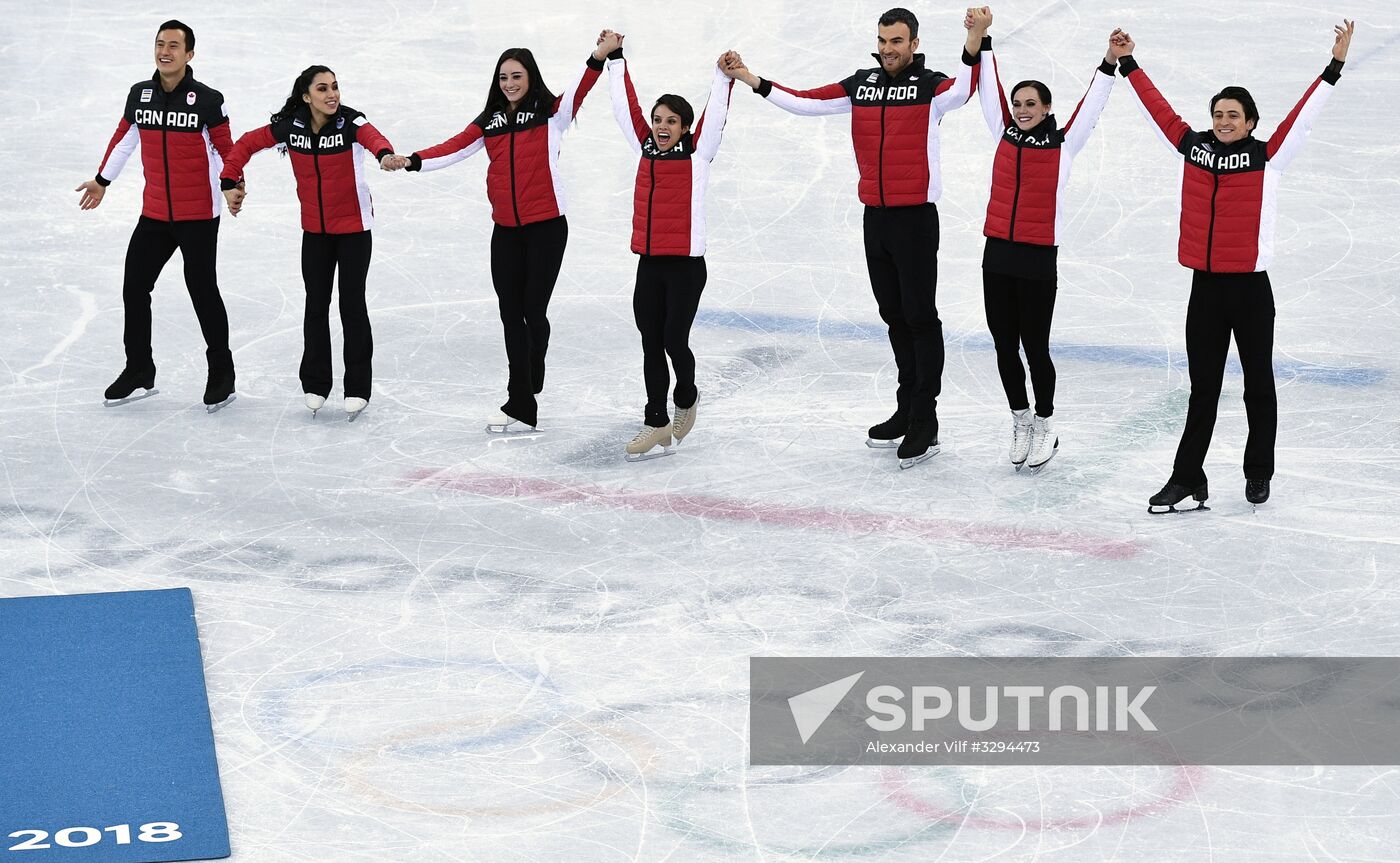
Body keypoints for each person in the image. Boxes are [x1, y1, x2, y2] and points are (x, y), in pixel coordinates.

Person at [724, 8, 989, 469]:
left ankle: (925, 420)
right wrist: (749, 77)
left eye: (897, 41)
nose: (888, 48)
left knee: (920, 317)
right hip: (876, 219)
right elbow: (805, 101)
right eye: (883, 40)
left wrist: (975, 38)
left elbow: (967, 88)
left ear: (914, 43)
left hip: (915, 220)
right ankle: (907, 408)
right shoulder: (861, 85)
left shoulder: (931, 88)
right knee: (893, 316)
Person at [1118, 21, 1355, 512]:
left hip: (1250, 291)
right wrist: (1128, 64)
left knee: (1257, 385)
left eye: (1234, 115)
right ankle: (1188, 478)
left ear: (1250, 122)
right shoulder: (1194, 149)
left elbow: (1302, 118)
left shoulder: (1267, 157)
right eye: (1218, 114)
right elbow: (1159, 112)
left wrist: (1334, 66)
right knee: (1202, 388)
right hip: (1204, 289)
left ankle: (1258, 472)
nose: (1224, 121)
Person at [384, 34, 615, 434]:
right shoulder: (489, 120)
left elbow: (582, 86)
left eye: (517, 76)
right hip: (505, 231)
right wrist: (413, 161)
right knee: (511, 315)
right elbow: (456, 146)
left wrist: (599, 54)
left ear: (530, 77)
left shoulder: (551, 113)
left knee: (532, 313)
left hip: (546, 228)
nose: (509, 83)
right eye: (504, 77)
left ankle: (532, 365)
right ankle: (521, 400)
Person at [971, 13, 1127, 471]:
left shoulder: (1064, 142)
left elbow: (1092, 103)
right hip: (997, 251)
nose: (1021, 109)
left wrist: (1109, 60)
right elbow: (988, 88)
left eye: (1031, 104)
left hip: (1039, 256)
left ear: (1046, 108)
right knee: (1003, 344)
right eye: (1018, 103)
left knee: (1035, 346)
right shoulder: (1003, 130)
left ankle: (1044, 422)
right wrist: (985, 42)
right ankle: (1020, 417)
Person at [77, 20, 238, 411]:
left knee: (202, 290)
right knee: (135, 287)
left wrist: (232, 184)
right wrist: (102, 180)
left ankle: (222, 373)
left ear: (189, 54)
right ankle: (139, 369)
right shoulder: (141, 95)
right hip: (155, 214)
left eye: (173, 46)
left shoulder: (207, 100)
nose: (164, 51)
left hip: (198, 214)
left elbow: (224, 149)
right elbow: (124, 140)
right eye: (160, 44)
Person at [219, 66, 396, 420]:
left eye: (335, 87)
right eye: (322, 89)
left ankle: (358, 386)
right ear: (306, 96)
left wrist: (385, 154)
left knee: (351, 304)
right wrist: (228, 179)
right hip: (314, 232)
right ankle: (315, 382)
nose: (332, 94)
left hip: (354, 231)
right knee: (315, 305)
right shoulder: (292, 127)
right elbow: (246, 144)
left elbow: (374, 138)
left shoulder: (351, 123)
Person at [601, 35, 737, 460]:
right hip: (649, 265)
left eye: (671, 121)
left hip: (686, 268)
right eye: (658, 119)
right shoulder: (644, 148)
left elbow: (715, 115)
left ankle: (688, 397)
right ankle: (655, 422)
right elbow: (627, 108)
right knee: (649, 343)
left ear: (684, 126)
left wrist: (722, 75)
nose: (661, 126)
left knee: (675, 339)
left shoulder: (698, 153)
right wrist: (616, 59)